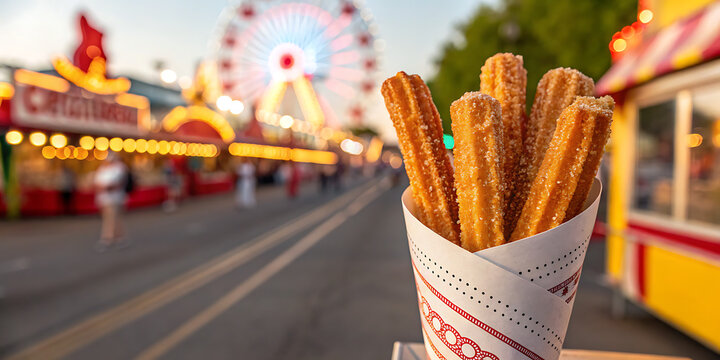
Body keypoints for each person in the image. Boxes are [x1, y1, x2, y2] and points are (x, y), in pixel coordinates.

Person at [94, 152, 128, 251]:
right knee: (111, 218)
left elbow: (116, 184)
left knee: (112, 219)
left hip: (115, 198)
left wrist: (106, 187)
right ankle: (119, 237)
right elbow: (98, 184)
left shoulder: (119, 168)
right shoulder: (102, 169)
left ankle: (107, 238)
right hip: (104, 198)